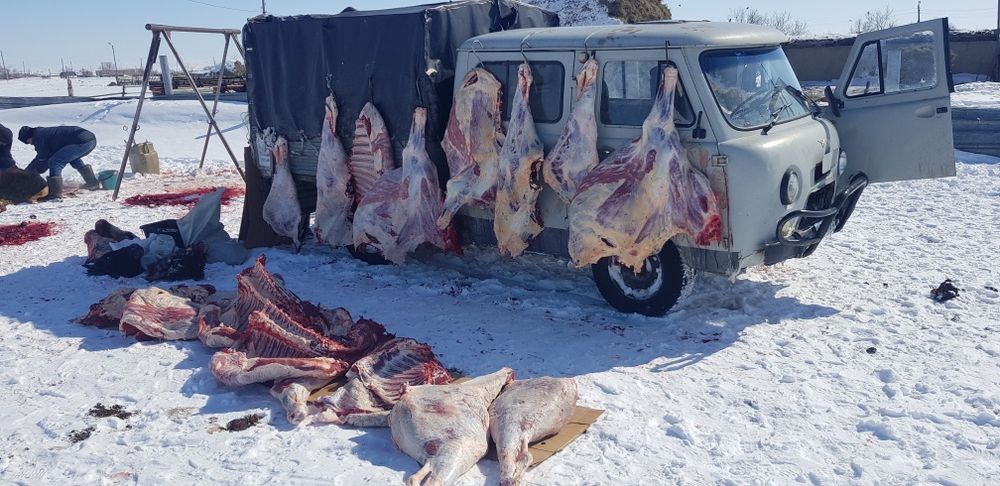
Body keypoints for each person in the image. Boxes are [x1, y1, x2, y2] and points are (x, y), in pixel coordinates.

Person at [18, 125, 101, 202]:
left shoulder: (38, 137)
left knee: (55, 162)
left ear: (29, 137)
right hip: (89, 140)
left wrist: (28, 173)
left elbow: (42, 158)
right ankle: (92, 183)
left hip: (82, 141)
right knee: (73, 159)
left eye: (28, 142)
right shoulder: (42, 133)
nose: (30, 144)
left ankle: (55, 195)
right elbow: (44, 157)